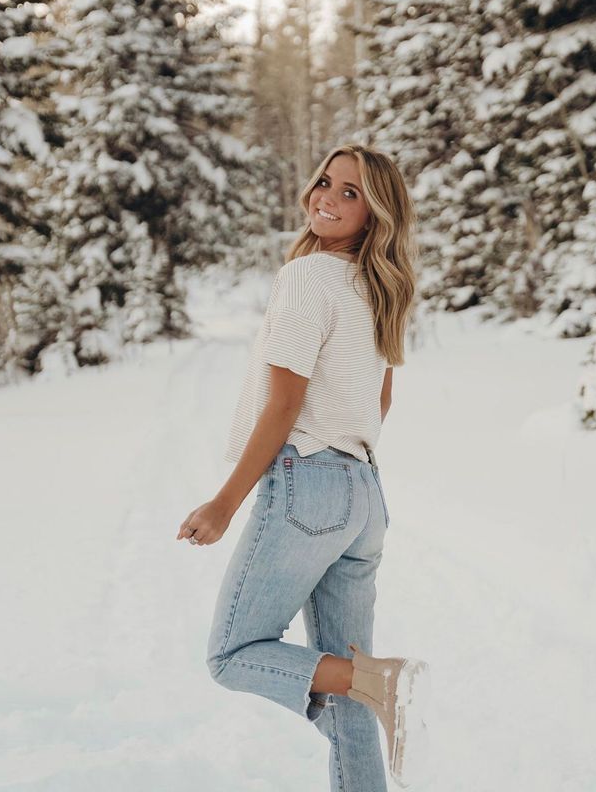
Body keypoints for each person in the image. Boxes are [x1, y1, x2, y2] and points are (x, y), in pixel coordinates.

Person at [176, 143, 430, 790]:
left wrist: (225, 503)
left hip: (310, 483)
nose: (328, 197)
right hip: (364, 495)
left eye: (352, 193)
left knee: (231, 654)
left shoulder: (309, 276)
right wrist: (348, 476)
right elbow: (382, 399)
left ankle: (384, 680)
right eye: (326, 181)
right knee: (346, 700)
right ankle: (372, 686)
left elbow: (285, 405)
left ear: (377, 214)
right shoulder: (379, 288)